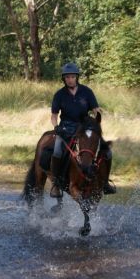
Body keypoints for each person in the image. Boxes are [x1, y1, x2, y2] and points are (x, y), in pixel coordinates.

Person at [50, 62, 116, 198]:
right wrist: (56, 128)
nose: (70, 79)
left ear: (77, 77)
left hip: (85, 127)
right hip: (66, 127)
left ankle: (105, 183)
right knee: (57, 151)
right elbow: (54, 115)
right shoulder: (59, 95)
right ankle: (56, 184)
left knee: (107, 152)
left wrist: (97, 116)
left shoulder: (87, 92)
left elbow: (95, 109)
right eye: (67, 77)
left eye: (72, 77)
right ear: (64, 79)